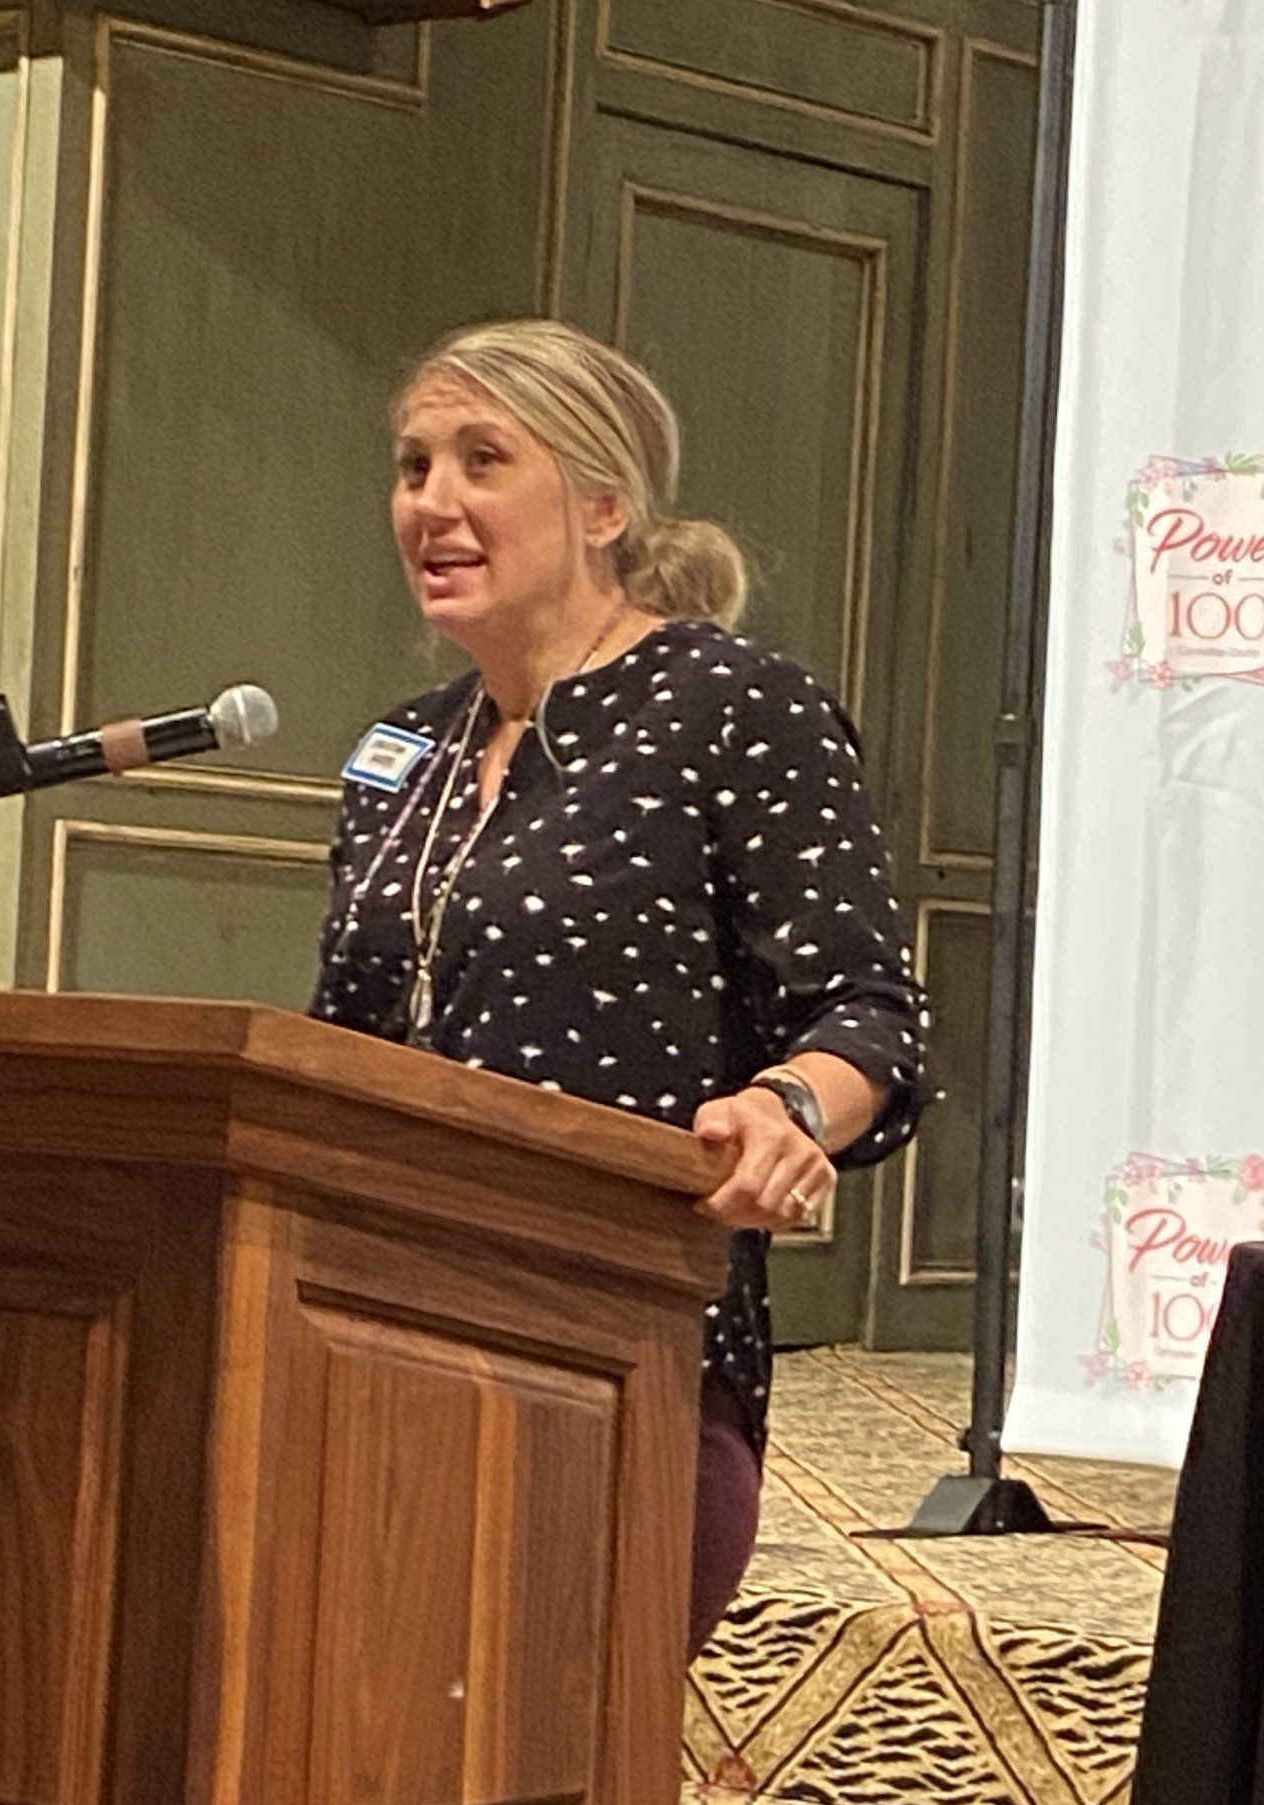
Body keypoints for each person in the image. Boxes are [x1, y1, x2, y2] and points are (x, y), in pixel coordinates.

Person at [311, 318, 928, 1653]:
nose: (435, 502)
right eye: (415, 465)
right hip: (365, 1338)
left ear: (604, 504)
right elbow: (338, 1046)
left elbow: (868, 1014)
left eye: (485, 459)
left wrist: (787, 1112)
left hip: (621, 1343)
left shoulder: (735, 709)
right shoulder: (397, 749)